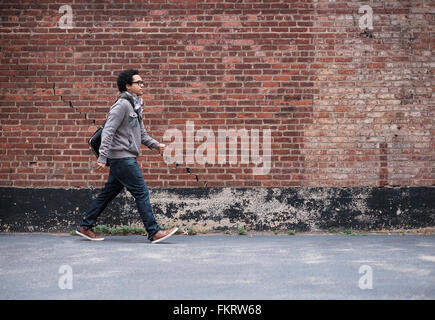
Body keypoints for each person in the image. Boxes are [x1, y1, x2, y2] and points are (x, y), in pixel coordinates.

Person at [76, 69, 178, 244]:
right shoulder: (121, 105)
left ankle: (85, 226)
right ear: (127, 86)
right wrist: (102, 157)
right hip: (122, 158)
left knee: (107, 194)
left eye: (142, 82)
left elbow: (141, 134)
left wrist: (157, 145)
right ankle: (153, 232)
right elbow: (108, 131)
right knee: (141, 192)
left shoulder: (135, 106)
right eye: (138, 82)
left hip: (123, 158)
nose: (142, 85)